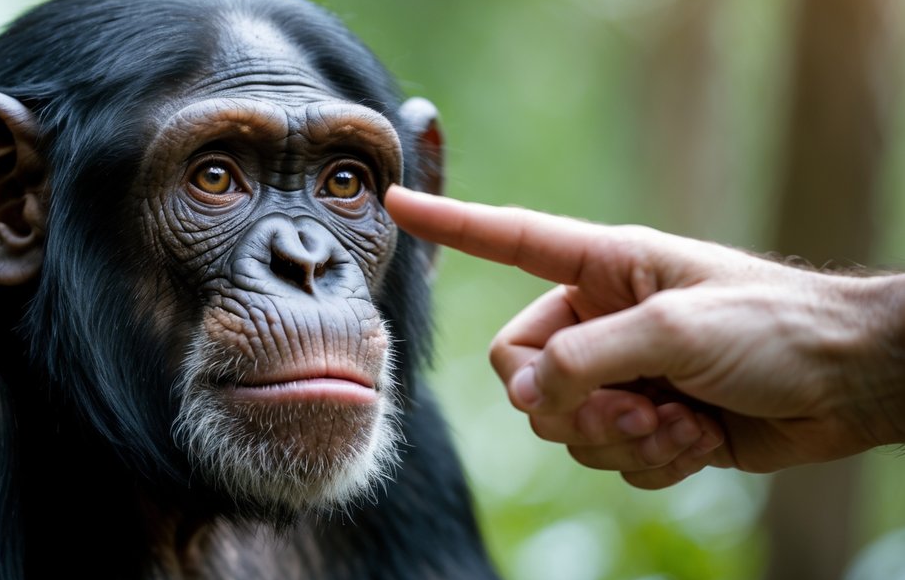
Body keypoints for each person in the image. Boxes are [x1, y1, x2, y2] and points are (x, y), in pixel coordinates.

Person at [384, 185, 905, 490]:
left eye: (343, 182)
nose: (304, 257)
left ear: (425, 169)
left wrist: (855, 348)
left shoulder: (411, 453)